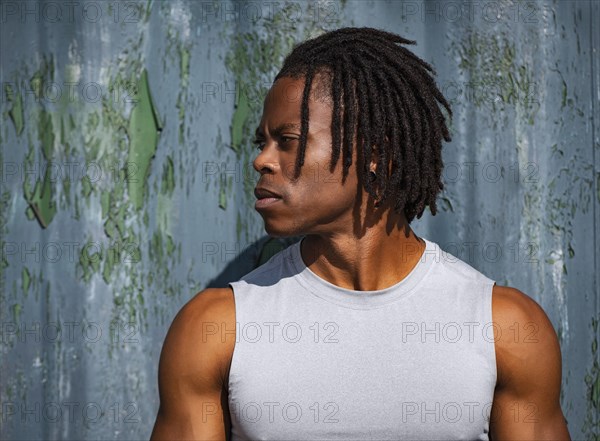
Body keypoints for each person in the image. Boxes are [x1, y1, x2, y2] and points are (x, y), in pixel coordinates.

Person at [150, 27, 571, 440]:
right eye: (262, 141)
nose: (261, 160)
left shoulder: (505, 326)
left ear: (374, 154)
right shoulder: (215, 327)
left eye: (288, 140)